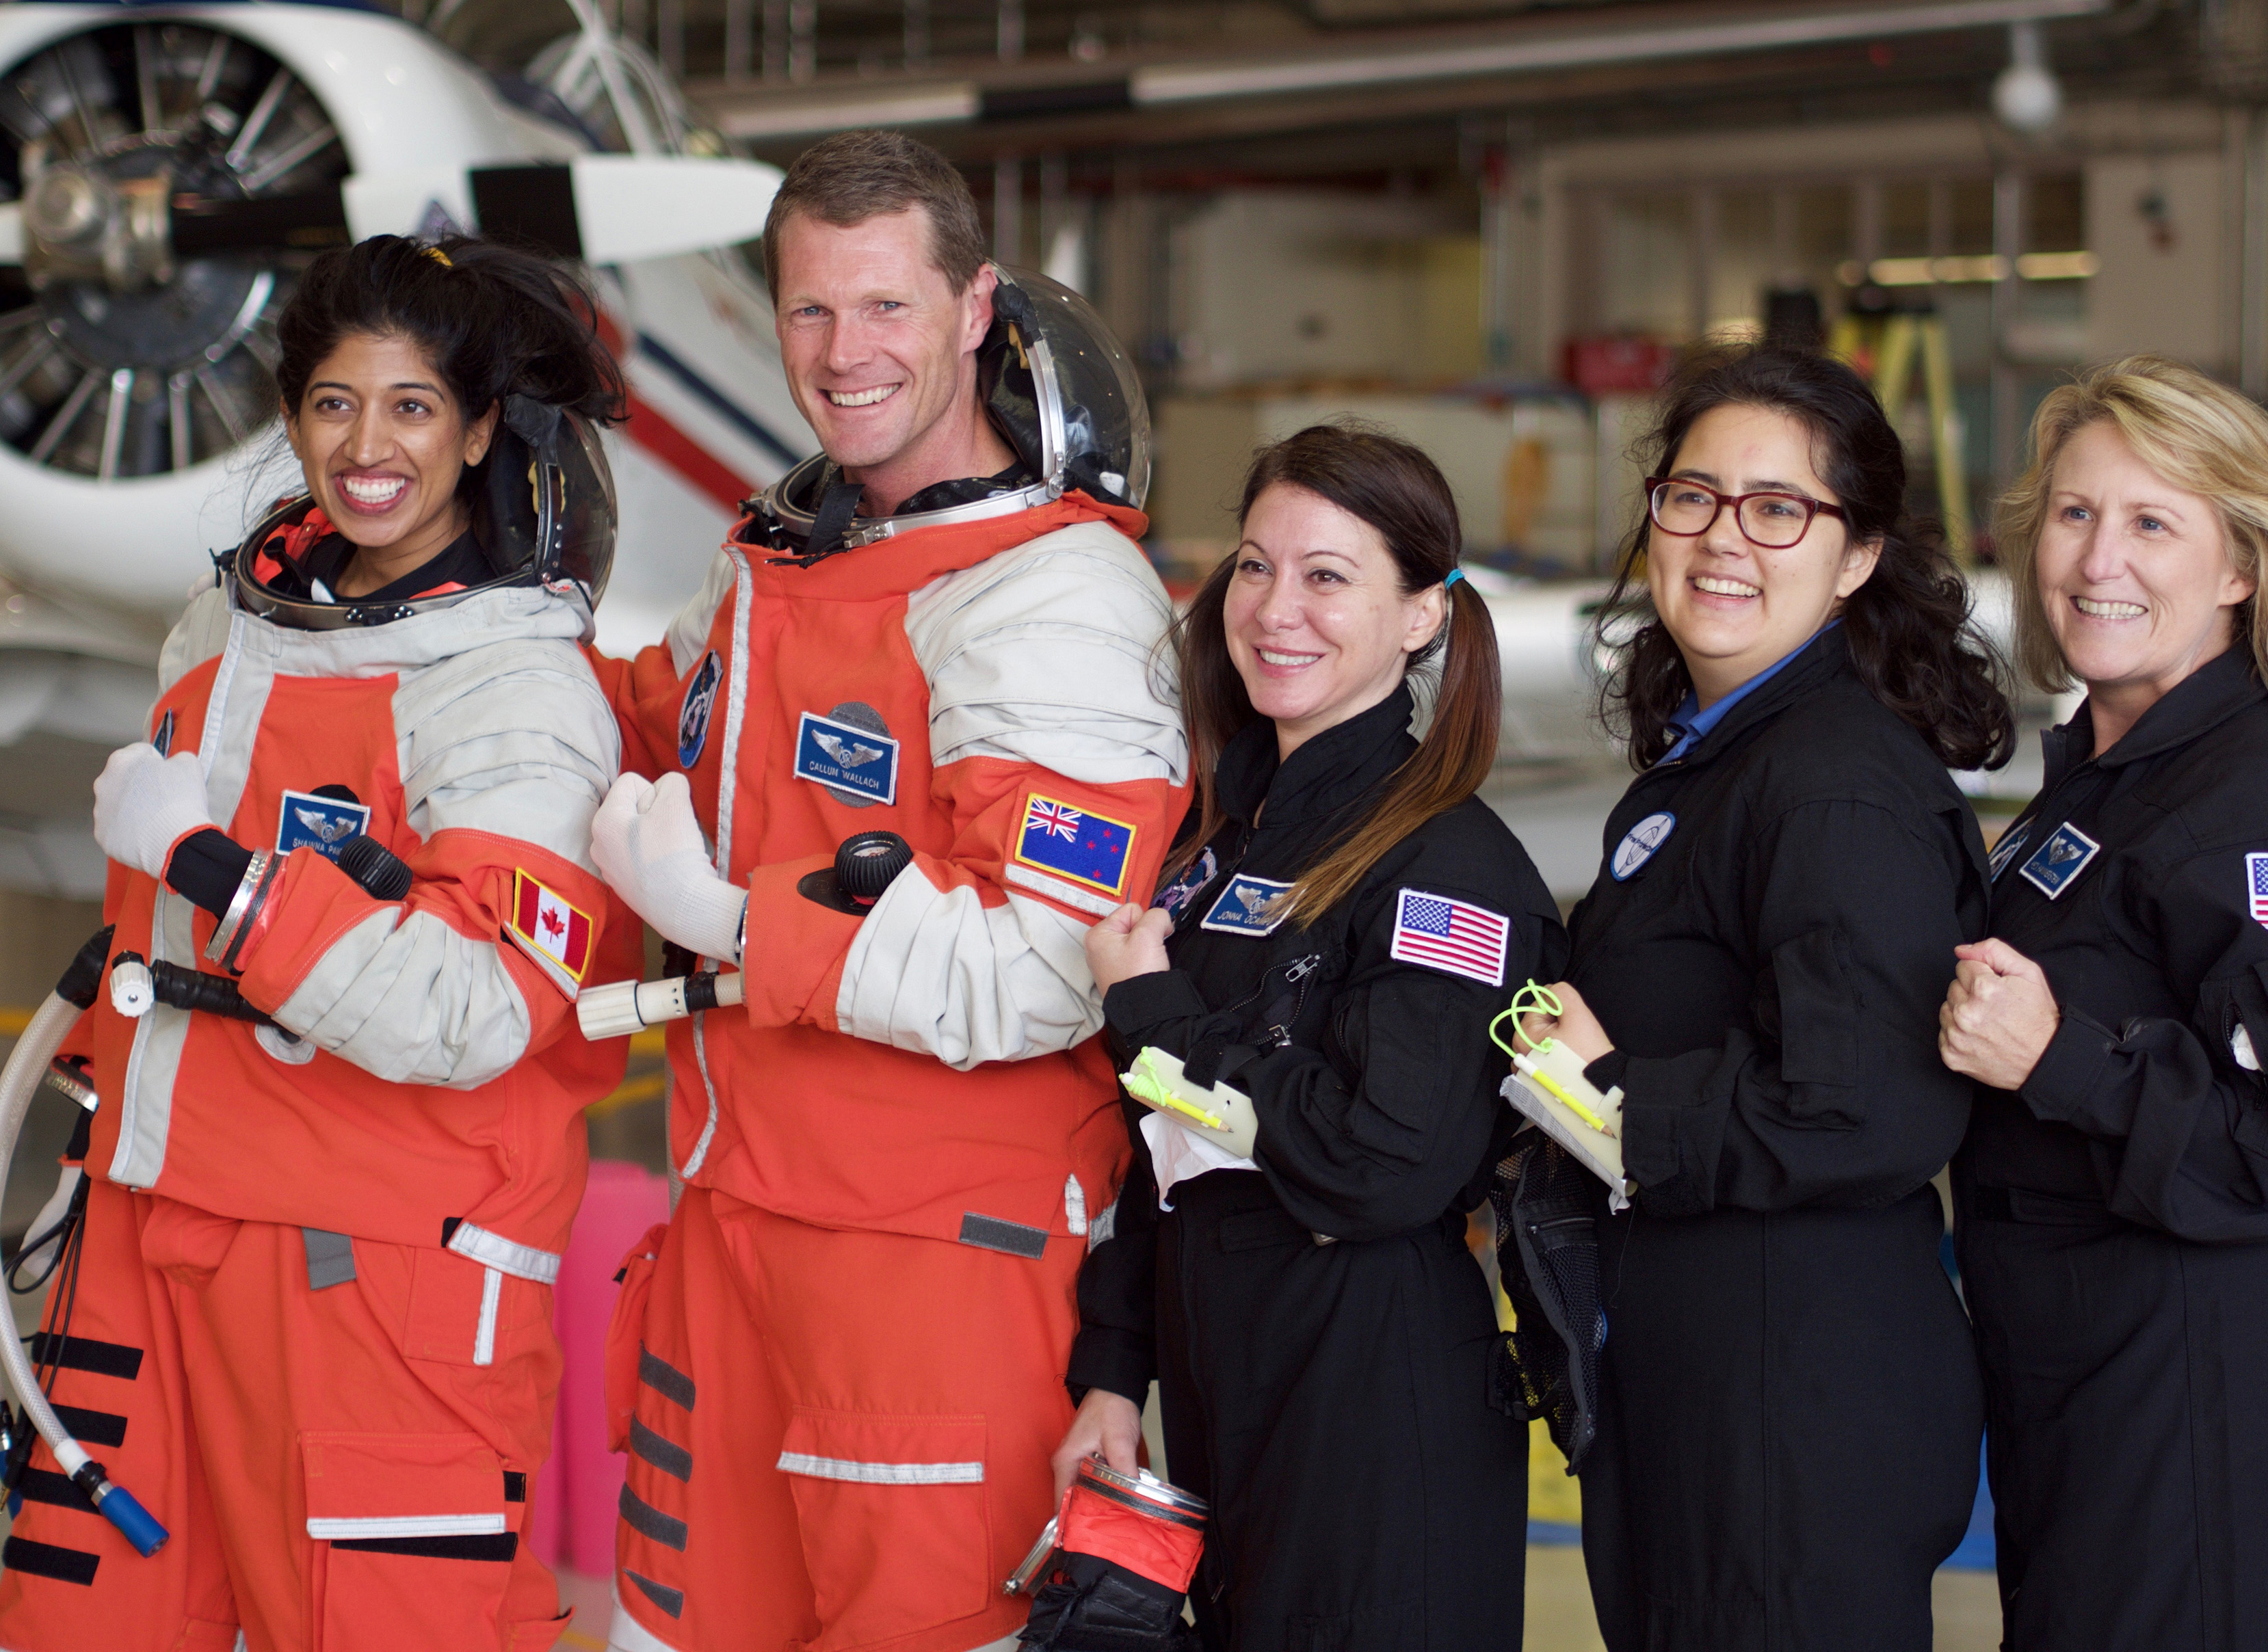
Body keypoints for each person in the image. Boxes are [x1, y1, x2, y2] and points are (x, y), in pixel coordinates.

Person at [585, 130, 1186, 1652]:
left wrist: (731, 923)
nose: (843, 354)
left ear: (975, 305)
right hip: (734, 1225)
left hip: (935, 1267)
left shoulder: (1049, 595)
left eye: (885, 308)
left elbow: (1049, 965)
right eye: (808, 311)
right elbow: (642, 728)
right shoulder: (783, 562)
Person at [0, 233, 632, 1651]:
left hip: (380, 1266)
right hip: (149, 1229)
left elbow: (477, 1003)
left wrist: (218, 870)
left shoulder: (513, 684)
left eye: (412, 406)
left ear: (477, 430)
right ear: (289, 418)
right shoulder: (217, 635)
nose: (368, 445)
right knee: (73, 1624)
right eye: (336, 403)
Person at [1511, 345, 2011, 1651]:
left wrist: (1604, 1099)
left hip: (1793, 1416)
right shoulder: (1725, 760)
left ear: (1856, 559)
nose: (1725, 538)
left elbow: (1867, 1112)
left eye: (1779, 508)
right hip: (1709, 1389)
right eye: (1694, 497)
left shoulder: (1833, 788)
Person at [1053, 424, 1563, 1652]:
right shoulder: (1222, 846)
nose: (1278, 609)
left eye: (1330, 576)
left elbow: (1388, 1162)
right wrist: (1115, 1370)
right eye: (1256, 566)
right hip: (1230, 1390)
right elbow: (1158, 1152)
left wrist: (1157, 1015)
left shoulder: (1447, 866)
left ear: (1423, 616)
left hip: (1375, 1411)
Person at [1938, 356, 2268, 1652]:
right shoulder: (2098, 779)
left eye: (2151, 523)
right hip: (2069, 1375)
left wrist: (2058, 1058)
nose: (2096, 561)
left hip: (2186, 1389)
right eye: (2073, 515)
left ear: (2241, 566)